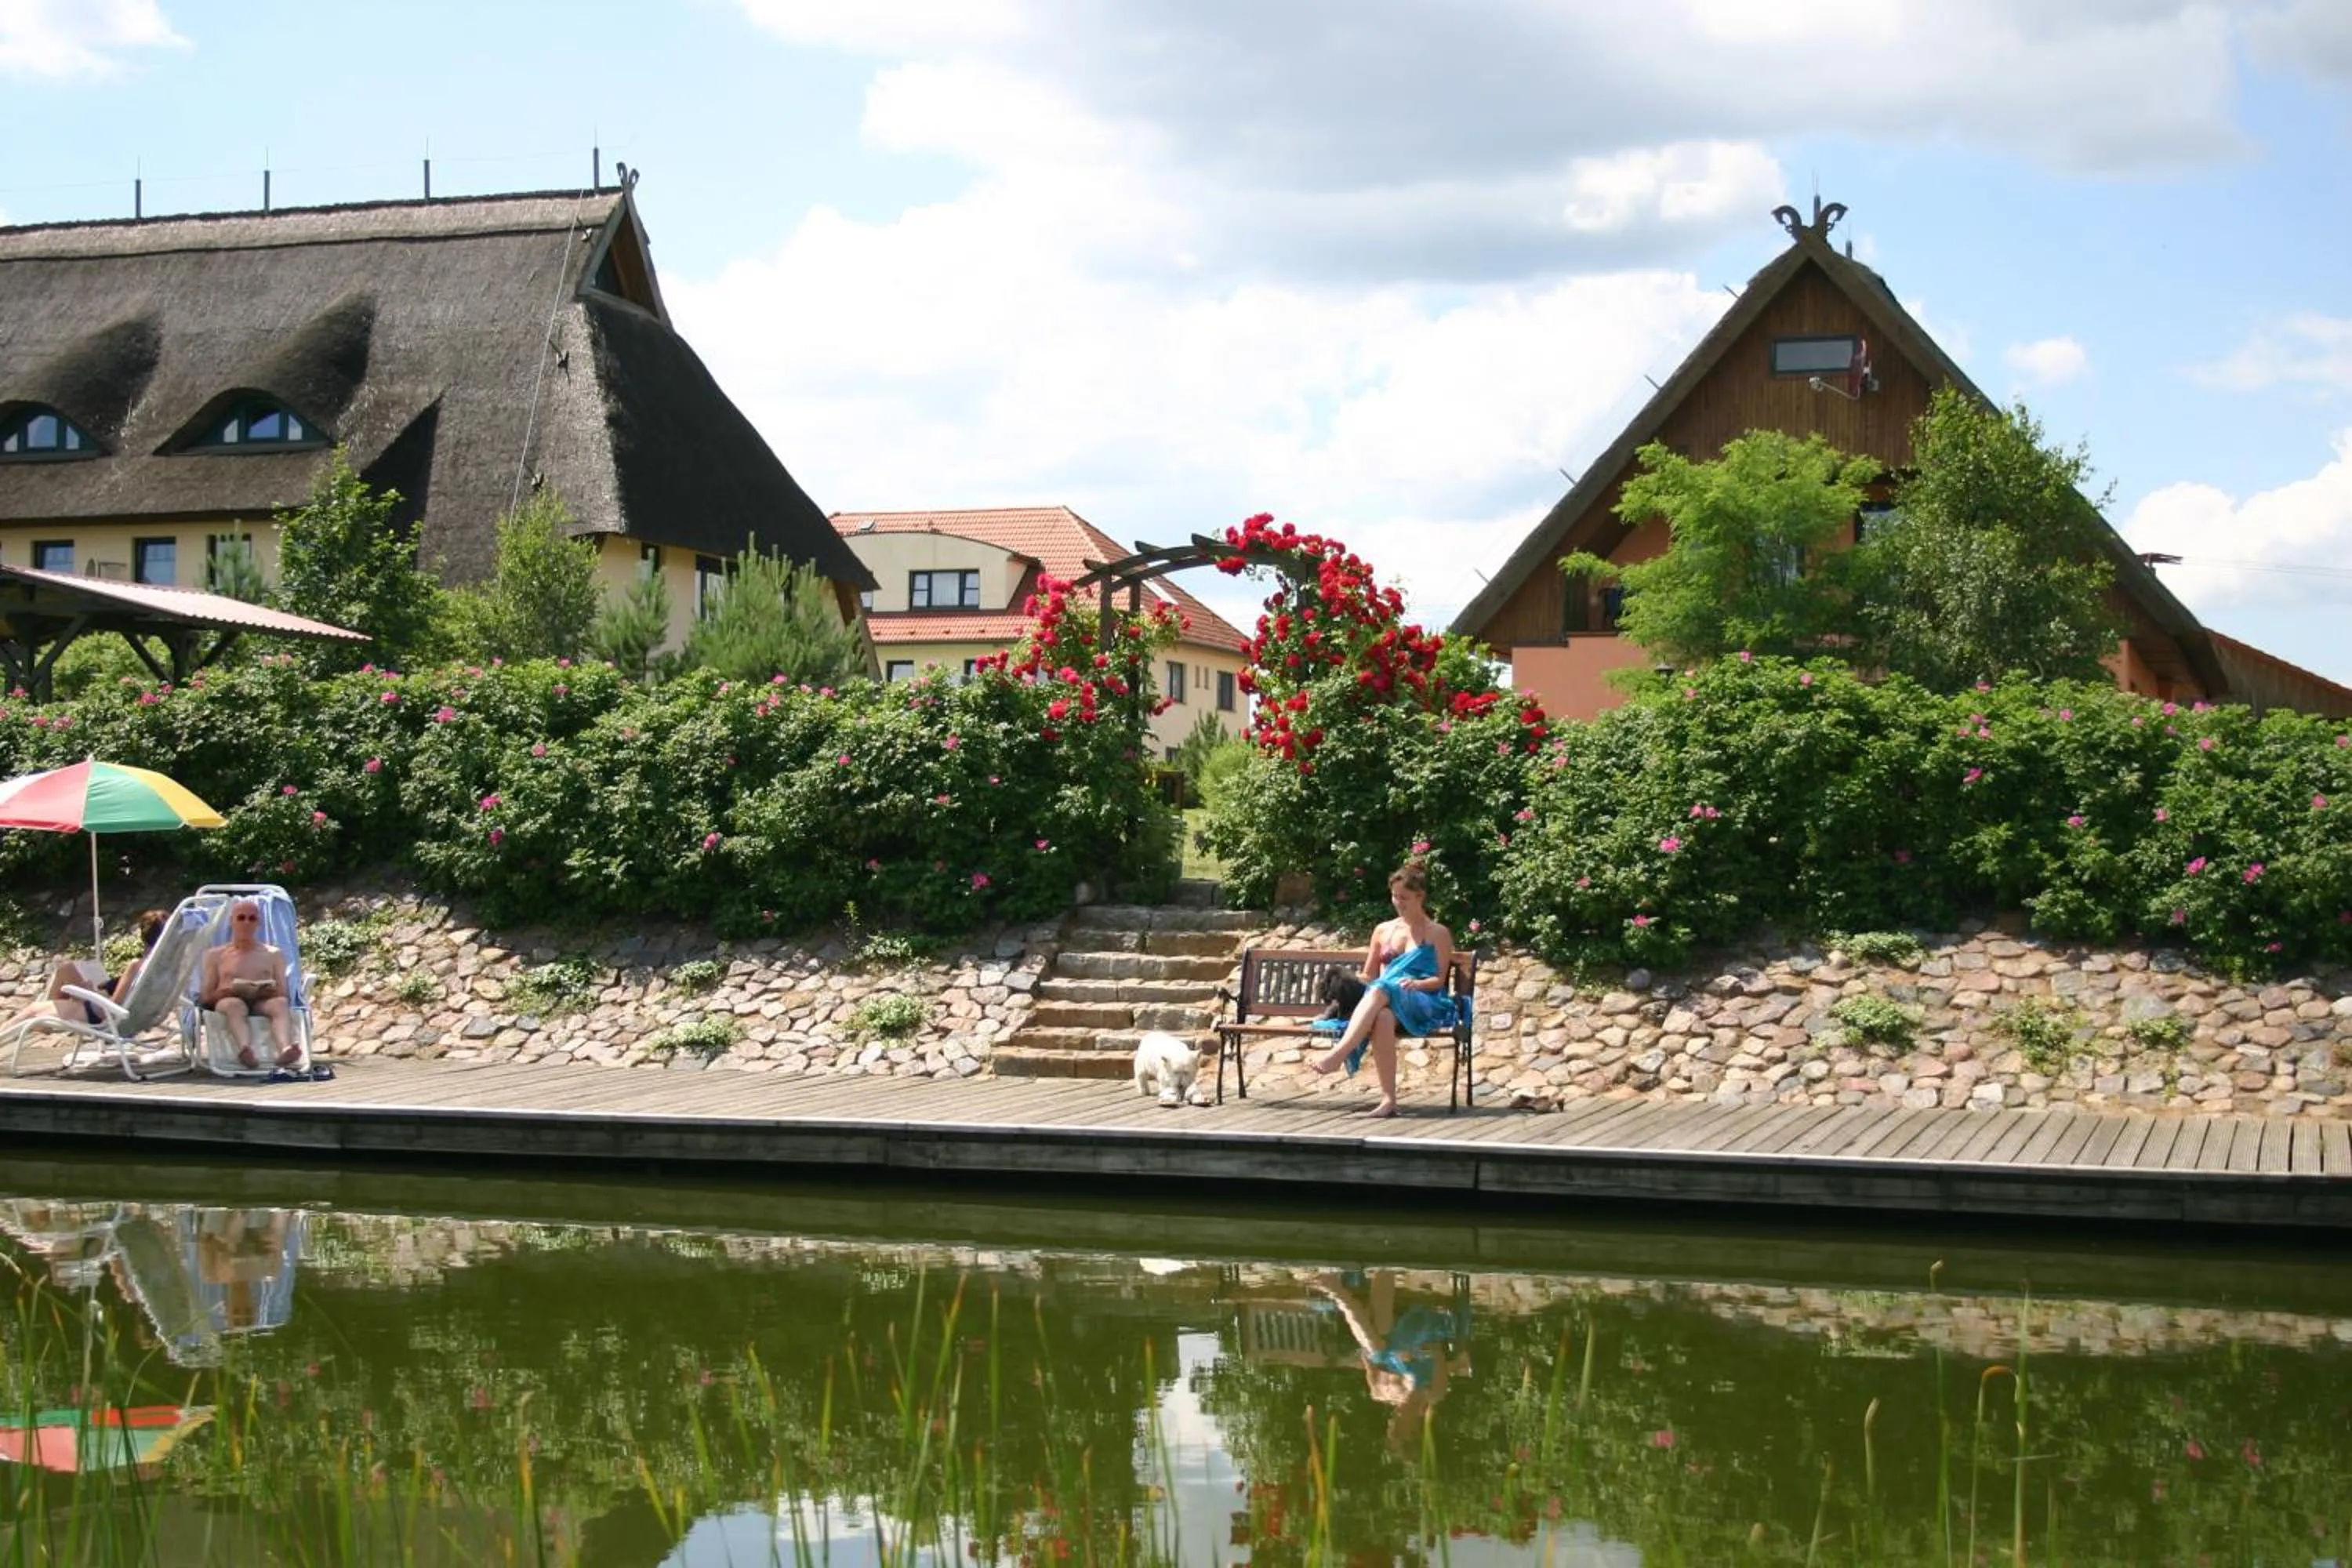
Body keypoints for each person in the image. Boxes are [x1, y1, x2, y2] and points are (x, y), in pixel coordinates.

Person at [1306, 862, 1458, 1119]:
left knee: (1382, 988)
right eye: (1394, 896)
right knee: (1384, 1016)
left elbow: (1439, 980)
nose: (1398, 903)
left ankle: (1338, 1054)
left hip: (1423, 999)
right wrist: (1349, 982)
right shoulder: (1383, 930)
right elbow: (1370, 975)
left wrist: (1417, 984)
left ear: (1420, 896)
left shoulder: (1438, 933)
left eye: (1404, 898)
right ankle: (1389, 1100)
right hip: (1387, 1000)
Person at [1308, 1269, 1468, 1455]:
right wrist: (1412, 1353)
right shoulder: (1434, 1393)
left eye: (1392, 1428)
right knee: (1381, 1339)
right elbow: (1437, 1352)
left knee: (1380, 1336)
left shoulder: (1381, 1393)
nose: (1393, 1422)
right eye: (1399, 1429)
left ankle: (1377, 1273)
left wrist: (1388, 1361)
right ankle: (1340, 1290)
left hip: (1387, 1340)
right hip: (1425, 1331)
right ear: (1415, 1430)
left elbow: (1366, 1357)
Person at [2, 907, 167, 1033]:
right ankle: (47, 1021)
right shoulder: (163, 968)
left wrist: (90, 993)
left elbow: (113, 1007)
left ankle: (43, 1023)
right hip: (125, 1015)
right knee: (67, 972)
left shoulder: (137, 966)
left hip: (99, 1015)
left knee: (33, 1010)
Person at [198, 899, 299, 1069]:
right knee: (234, 1005)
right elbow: (206, 997)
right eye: (241, 918)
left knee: (280, 1003)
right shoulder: (215, 955)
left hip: (262, 1002)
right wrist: (224, 992)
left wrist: (268, 991)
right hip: (228, 1002)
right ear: (231, 921)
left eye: (252, 918)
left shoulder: (273, 954)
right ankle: (245, 1050)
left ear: (258, 923)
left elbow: (283, 992)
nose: (246, 922)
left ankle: (285, 1049)